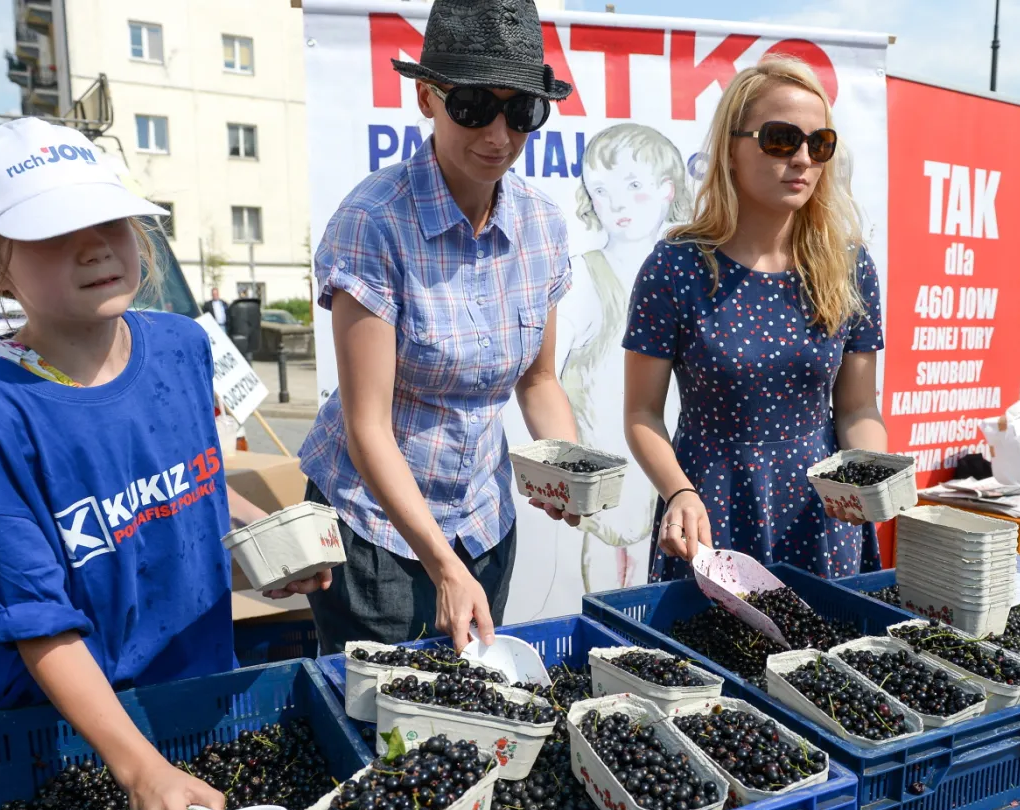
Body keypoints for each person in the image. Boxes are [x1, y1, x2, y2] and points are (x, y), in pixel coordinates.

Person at [0, 117, 329, 810]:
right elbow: (36, 620)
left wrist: (267, 543)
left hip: (201, 694)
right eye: (53, 232)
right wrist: (140, 768)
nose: (93, 246)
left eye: (108, 219)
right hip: (64, 738)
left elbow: (196, 485)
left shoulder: (182, 345)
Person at [299, 0, 581, 654]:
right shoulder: (373, 223)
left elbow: (539, 381)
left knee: (477, 694)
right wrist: (443, 566)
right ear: (427, 97)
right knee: (383, 706)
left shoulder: (541, 225)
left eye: (521, 111)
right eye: (474, 106)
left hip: (482, 522)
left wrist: (565, 465)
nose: (499, 135)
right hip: (375, 531)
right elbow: (368, 427)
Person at [623, 56, 887, 583]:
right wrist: (678, 491)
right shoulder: (676, 267)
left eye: (820, 143)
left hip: (823, 516)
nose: (803, 158)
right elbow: (641, 413)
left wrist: (867, 475)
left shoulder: (848, 265)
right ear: (731, 149)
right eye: (781, 139)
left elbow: (858, 407)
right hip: (710, 509)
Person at [557, 123, 693, 590]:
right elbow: (543, 375)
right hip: (606, 472)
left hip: (676, 469)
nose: (616, 204)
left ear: (667, 189)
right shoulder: (582, 278)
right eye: (601, 190)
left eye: (633, 186)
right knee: (607, 584)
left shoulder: (690, 276)